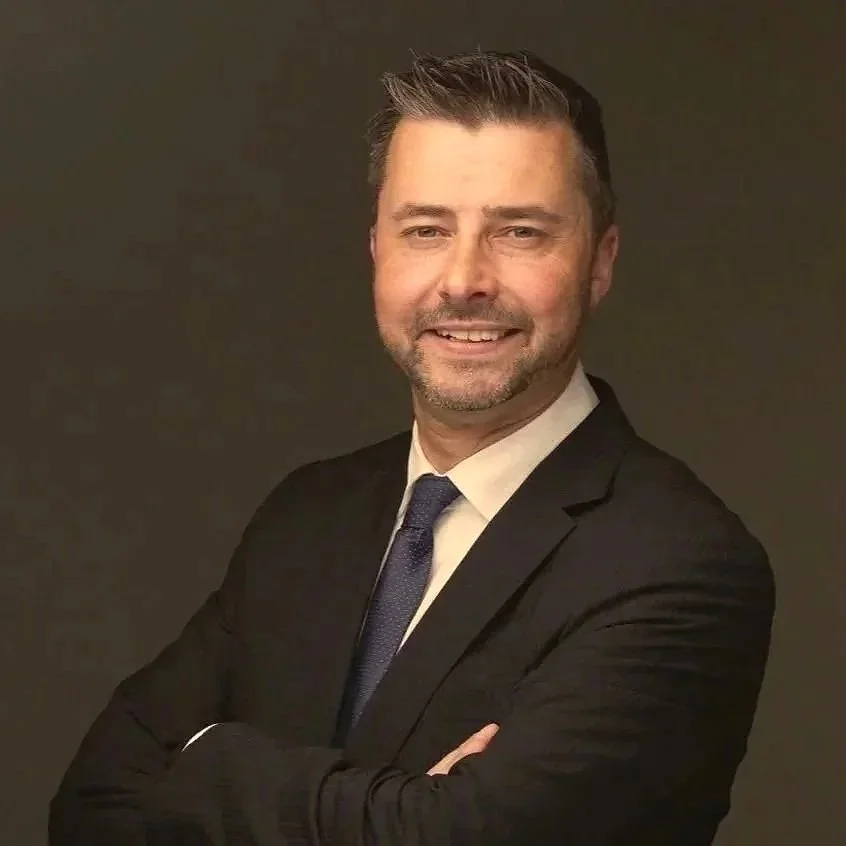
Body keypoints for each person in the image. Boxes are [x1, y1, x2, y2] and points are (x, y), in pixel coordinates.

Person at [49, 50, 775, 845]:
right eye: (426, 230)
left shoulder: (679, 564)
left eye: (520, 232)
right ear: (376, 251)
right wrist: (398, 807)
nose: (464, 279)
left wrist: (208, 760)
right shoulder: (308, 516)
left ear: (599, 262)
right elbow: (92, 805)